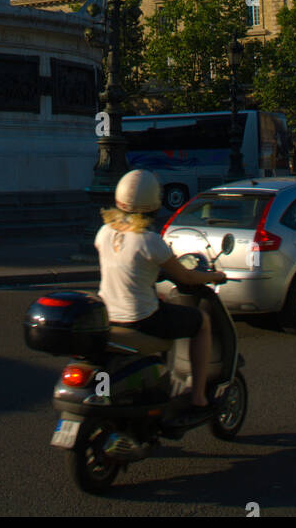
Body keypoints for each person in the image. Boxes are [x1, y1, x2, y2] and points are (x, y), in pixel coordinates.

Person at [95, 170, 226, 420]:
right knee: (201, 323)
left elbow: (127, 269)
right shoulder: (150, 241)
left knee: (165, 307)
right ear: (154, 203)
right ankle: (198, 396)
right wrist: (214, 277)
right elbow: (186, 277)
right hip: (141, 319)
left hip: (109, 316)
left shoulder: (103, 233)